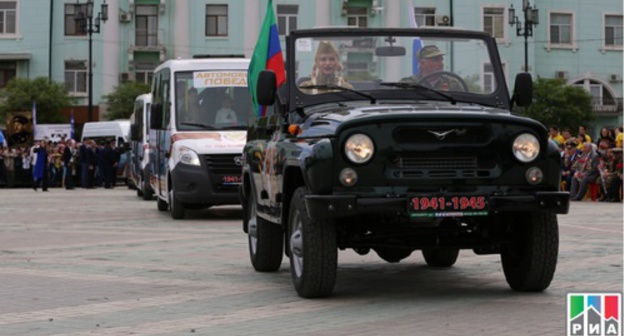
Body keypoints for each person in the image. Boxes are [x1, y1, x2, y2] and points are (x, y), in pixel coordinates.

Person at [400, 45, 465, 91]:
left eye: (441, 59)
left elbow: (464, 104)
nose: (441, 64)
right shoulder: (408, 84)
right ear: (422, 63)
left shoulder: (452, 84)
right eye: (436, 60)